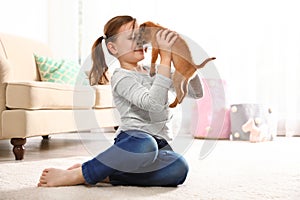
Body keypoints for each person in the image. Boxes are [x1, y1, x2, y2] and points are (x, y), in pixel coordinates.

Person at [38, 15, 203, 187]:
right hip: (134, 142)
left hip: (162, 145)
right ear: (113, 48)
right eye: (132, 38)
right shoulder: (121, 77)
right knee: (146, 145)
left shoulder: (153, 72)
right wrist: (166, 60)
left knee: (178, 167)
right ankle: (81, 173)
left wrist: (184, 58)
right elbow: (152, 104)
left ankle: (107, 174)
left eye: (141, 35)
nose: (140, 41)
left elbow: (196, 92)